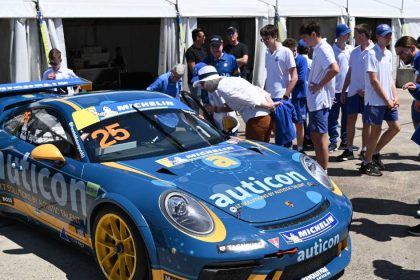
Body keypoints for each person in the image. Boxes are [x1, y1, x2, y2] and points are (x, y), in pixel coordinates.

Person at [193, 65, 274, 142]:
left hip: (256, 119)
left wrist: (268, 105)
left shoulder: (222, 88)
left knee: (256, 151)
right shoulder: (232, 80)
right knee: (265, 149)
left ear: (209, 82)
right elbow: (257, 89)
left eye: (202, 84)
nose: (202, 87)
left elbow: (246, 99)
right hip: (265, 116)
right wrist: (269, 101)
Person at [361, 24, 400, 176]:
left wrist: (394, 96)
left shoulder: (389, 54)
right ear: (378, 37)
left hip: (387, 100)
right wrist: (387, 99)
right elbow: (374, 80)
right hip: (375, 100)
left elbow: (390, 77)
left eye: (390, 34)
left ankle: (374, 153)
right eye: (386, 35)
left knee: (395, 127)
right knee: (375, 131)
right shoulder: (371, 54)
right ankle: (366, 163)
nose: (389, 37)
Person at [300, 21, 339, 171]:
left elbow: (335, 69)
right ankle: (321, 168)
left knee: (320, 136)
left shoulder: (323, 49)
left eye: (305, 37)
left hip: (319, 100)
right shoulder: (318, 49)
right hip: (316, 100)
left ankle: (324, 170)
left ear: (314, 34)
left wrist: (319, 85)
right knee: (316, 136)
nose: (304, 41)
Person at [337, 24, 375, 162]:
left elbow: (378, 75)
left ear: (363, 35)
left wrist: (368, 90)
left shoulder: (374, 51)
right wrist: (343, 90)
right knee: (350, 120)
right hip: (352, 93)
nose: (354, 37)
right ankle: (349, 149)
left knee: (367, 123)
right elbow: (350, 71)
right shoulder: (354, 52)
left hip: (368, 94)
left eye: (356, 34)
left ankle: (365, 149)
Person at [260, 24, 298, 148]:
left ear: (275, 36)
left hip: (281, 98)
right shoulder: (266, 53)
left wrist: (285, 96)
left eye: (267, 39)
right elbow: (269, 76)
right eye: (263, 39)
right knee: (274, 133)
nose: (265, 42)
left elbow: (294, 76)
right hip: (270, 98)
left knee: (285, 137)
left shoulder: (286, 52)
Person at [202, 35, 240, 132]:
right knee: (215, 131)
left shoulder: (231, 59)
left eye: (218, 46)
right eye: (213, 46)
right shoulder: (205, 61)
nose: (216, 49)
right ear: (210, 47)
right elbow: (203, 85)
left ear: (222, 46)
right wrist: (205, 103)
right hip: (212, 103)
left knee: (231, 129)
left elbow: (237, 80)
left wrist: (235, 99)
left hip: (227, 101)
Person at [328, 24, 354, 152]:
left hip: (349, 90)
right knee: (333, 117)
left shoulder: (351, 49)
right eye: (346, 33)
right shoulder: (331, 50)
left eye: (348, 33)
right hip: (335, 91)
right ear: (340, 35)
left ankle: (345, 141)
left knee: (347, 117)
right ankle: (333, 141)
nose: (348, 36)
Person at [395, 35, 420, 162]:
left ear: (412, 48)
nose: (400, 57)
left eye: (401, 53)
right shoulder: (417, 59)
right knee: (415, 115)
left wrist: (417, 89)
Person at [283, 38, 308, 153]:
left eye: (294, 51)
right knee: (286, 122)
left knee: (299, 123)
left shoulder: (302, 60)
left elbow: (301, 79)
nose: (292, 53)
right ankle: (288, 145)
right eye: (289, 51)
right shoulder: (283, 59)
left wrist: (289, 82)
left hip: (298, 96)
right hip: (286, 95)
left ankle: (300, 147)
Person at [185, 28, 207, 100]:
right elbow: (193, 70)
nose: (205, 38)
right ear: (197, 38)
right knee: (197, 105)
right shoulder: (190, 51)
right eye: (203, 36)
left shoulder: (203, 49)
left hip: (204, 81)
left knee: (204, 103)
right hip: (196, 83)